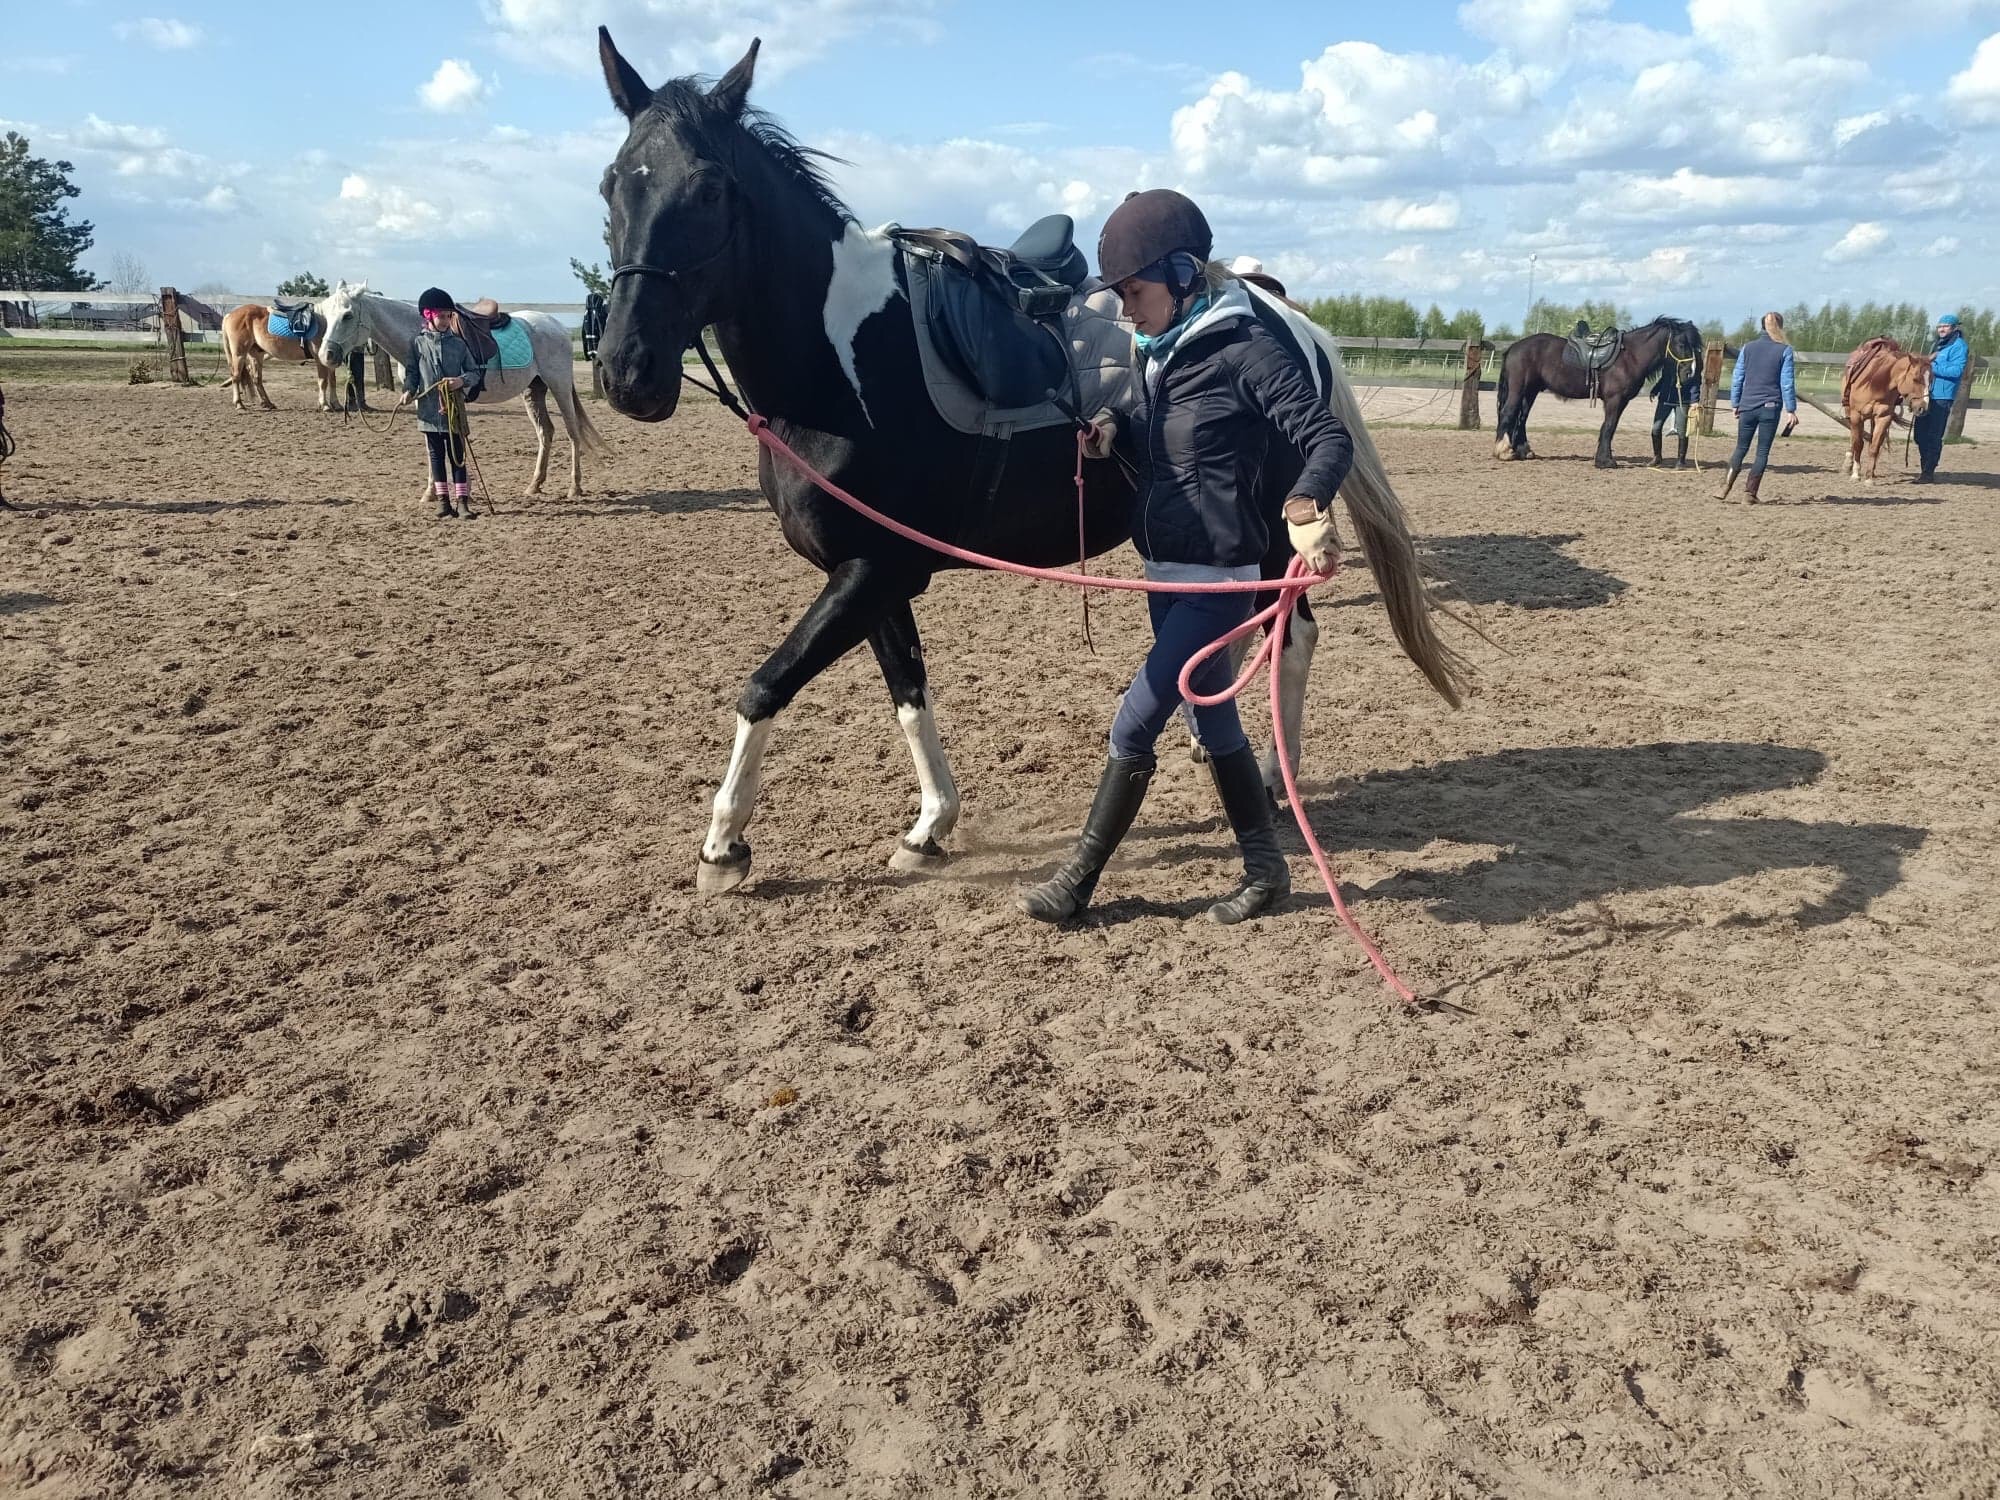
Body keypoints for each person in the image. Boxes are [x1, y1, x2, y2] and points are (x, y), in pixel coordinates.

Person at [1018, 189, 1352, 926]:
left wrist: (1303, 505)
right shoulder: (1160, 354)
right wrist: (1112, 425)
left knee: (1136, 722)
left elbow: (1328, 438)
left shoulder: (1246, 352)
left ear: (1178, 273)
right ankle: (1266, 873)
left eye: (1135, 292)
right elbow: (1156, 422)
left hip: (1218, 580)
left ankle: (1077, 880)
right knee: (1216, 724)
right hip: (1165, 572)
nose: (1128, 310)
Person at [395, 287, 485, 519]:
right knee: (436, 456)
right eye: (440, 316)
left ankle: (462, 502)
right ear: (429, 316)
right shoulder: (417, 344)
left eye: (448, 316)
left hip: (453, 409)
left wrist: (460, 381)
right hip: (428, 410)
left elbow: (474, 372)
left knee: (457, 455)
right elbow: (412, 372)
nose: (445, 321)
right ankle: (443, 502)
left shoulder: (459, 345)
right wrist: (408, 390)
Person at [1714, 311, 1797, 502]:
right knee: (1762, 452)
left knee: (1740, 448)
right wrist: (1791, 409)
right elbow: (1786, 383)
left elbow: (1738, 377)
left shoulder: (1747, 348)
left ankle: (1724, 487)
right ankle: (1749, 493)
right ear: (1780, 327)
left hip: (1747, 405)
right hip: (1770, 407)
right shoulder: (1784, 350)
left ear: (1761, 326)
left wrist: (1736, 403)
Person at [1913, 312, 1968, 483]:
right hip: (1927, 394)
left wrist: (1932, 366)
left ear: (1954, 328)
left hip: (1942, 395)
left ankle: (1928, 471)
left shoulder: (1959, 346)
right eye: (1939, 326)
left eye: (1945, 326)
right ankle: (1925, 468)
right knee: (1919, 434)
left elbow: (1956, 371)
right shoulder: (1937, 345)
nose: (1941, 329)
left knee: (1934, 434)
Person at [1648, 345, 1701, 469]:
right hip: (1665, 399)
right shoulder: (1669, 357)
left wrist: (1695, 400)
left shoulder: (1692, 359)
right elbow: (1664, 377)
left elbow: (1696, 380)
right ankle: (1657, 457)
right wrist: (1655, 390)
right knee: (1656, 428)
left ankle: (1681, 461)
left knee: (1682, 432)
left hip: (1683, 400)